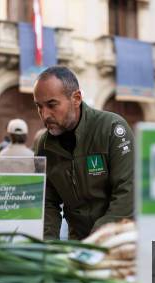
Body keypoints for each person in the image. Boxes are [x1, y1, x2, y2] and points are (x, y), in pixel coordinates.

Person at [33, 66, 134, 240]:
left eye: (51, 105)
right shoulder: (45, 145)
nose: (45, 114)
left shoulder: (111, 129)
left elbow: (127, 192)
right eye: (39, 107)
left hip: (118, 240)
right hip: (78, 242)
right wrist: (48, 247)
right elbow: (47, 202)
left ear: (76, 98)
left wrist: (97, 238)